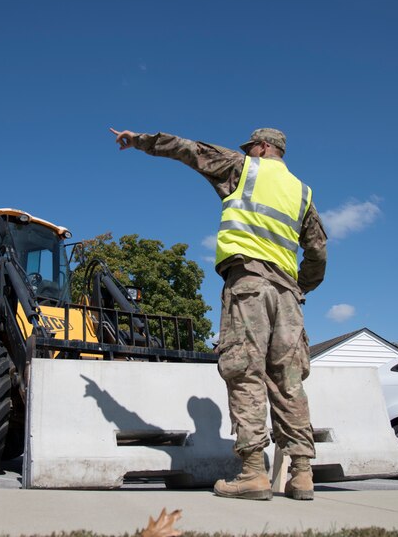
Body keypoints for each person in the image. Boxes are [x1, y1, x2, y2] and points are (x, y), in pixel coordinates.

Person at [109, 127, 327, 501]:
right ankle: (302, 473)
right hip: (288, 296)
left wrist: (141, 140)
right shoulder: (302, 192)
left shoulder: (243, 168)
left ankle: (253, 473)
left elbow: (188, 150)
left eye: (252, 147)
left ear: (262, 147)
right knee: (289, 380)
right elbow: (318, 251)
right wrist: (301, 287)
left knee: (245, 372)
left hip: (249, 285)